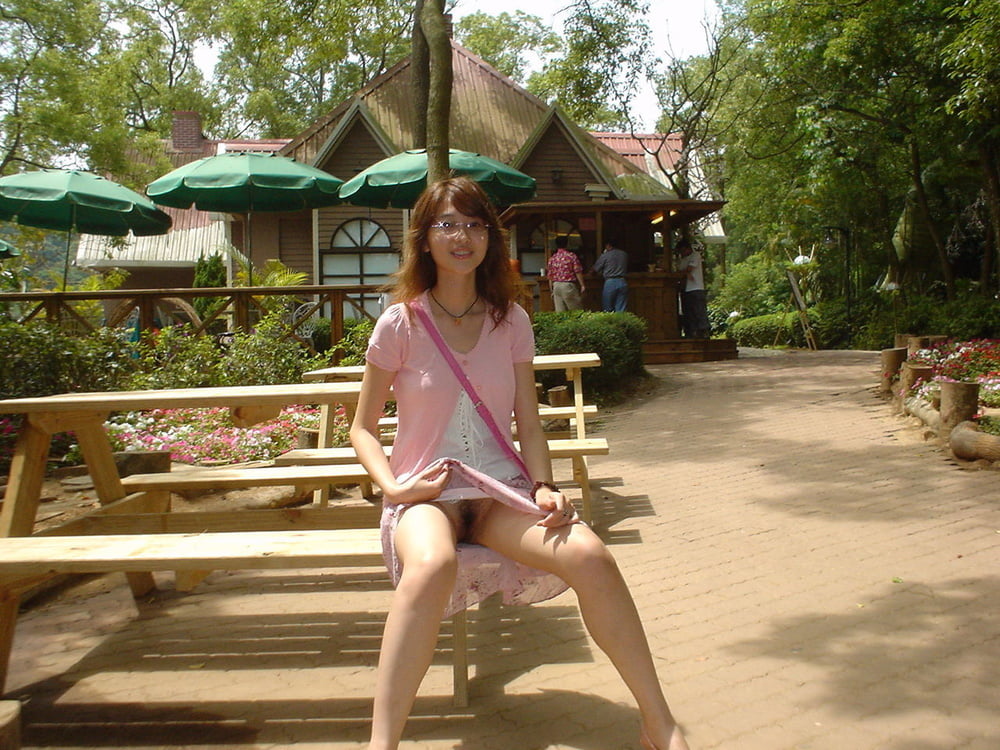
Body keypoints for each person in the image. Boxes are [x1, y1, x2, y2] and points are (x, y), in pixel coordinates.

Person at [350, 177, 690, 750]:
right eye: (448, 224)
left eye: (475, 225)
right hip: (425, 496)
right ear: (424, 238)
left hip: (498, 492)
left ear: (491, 237)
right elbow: (362, 427)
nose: (462, 237)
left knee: (590, 555)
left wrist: (544, 485)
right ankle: (382, 744)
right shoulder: (400, 323)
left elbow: (528, 423)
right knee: (431, 565)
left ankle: (659, 723)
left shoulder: (510, 321)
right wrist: (394, 488)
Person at [675, 240, 710, 338]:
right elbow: (680, 271)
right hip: (686, 289)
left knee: (699, 310)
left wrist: (685, 273)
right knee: (688, 312)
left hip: (696, 287)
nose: (682, 253)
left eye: (683, 251)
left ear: (687, 249)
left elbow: (689, 269)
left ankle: (704, 331)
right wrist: (684, 274)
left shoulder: (696, 255)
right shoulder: (682, 260)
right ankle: (691, 332)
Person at [545, 235, 585, 311]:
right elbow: (577, 271)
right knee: (575, 311)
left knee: (560, 312)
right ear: (567, 244)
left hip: (556, 285)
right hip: (567, 285)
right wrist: (582, 285)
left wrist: (551, 289)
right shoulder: (571, 256)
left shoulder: (553, 258)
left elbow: (550, 276)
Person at [592, 240, 629, 312]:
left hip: (610, 281)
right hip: (622, 281)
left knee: (608, 308)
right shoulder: (624, 254)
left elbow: (595, 269)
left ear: (608, 245)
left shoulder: (605, 255)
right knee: (621, 309)